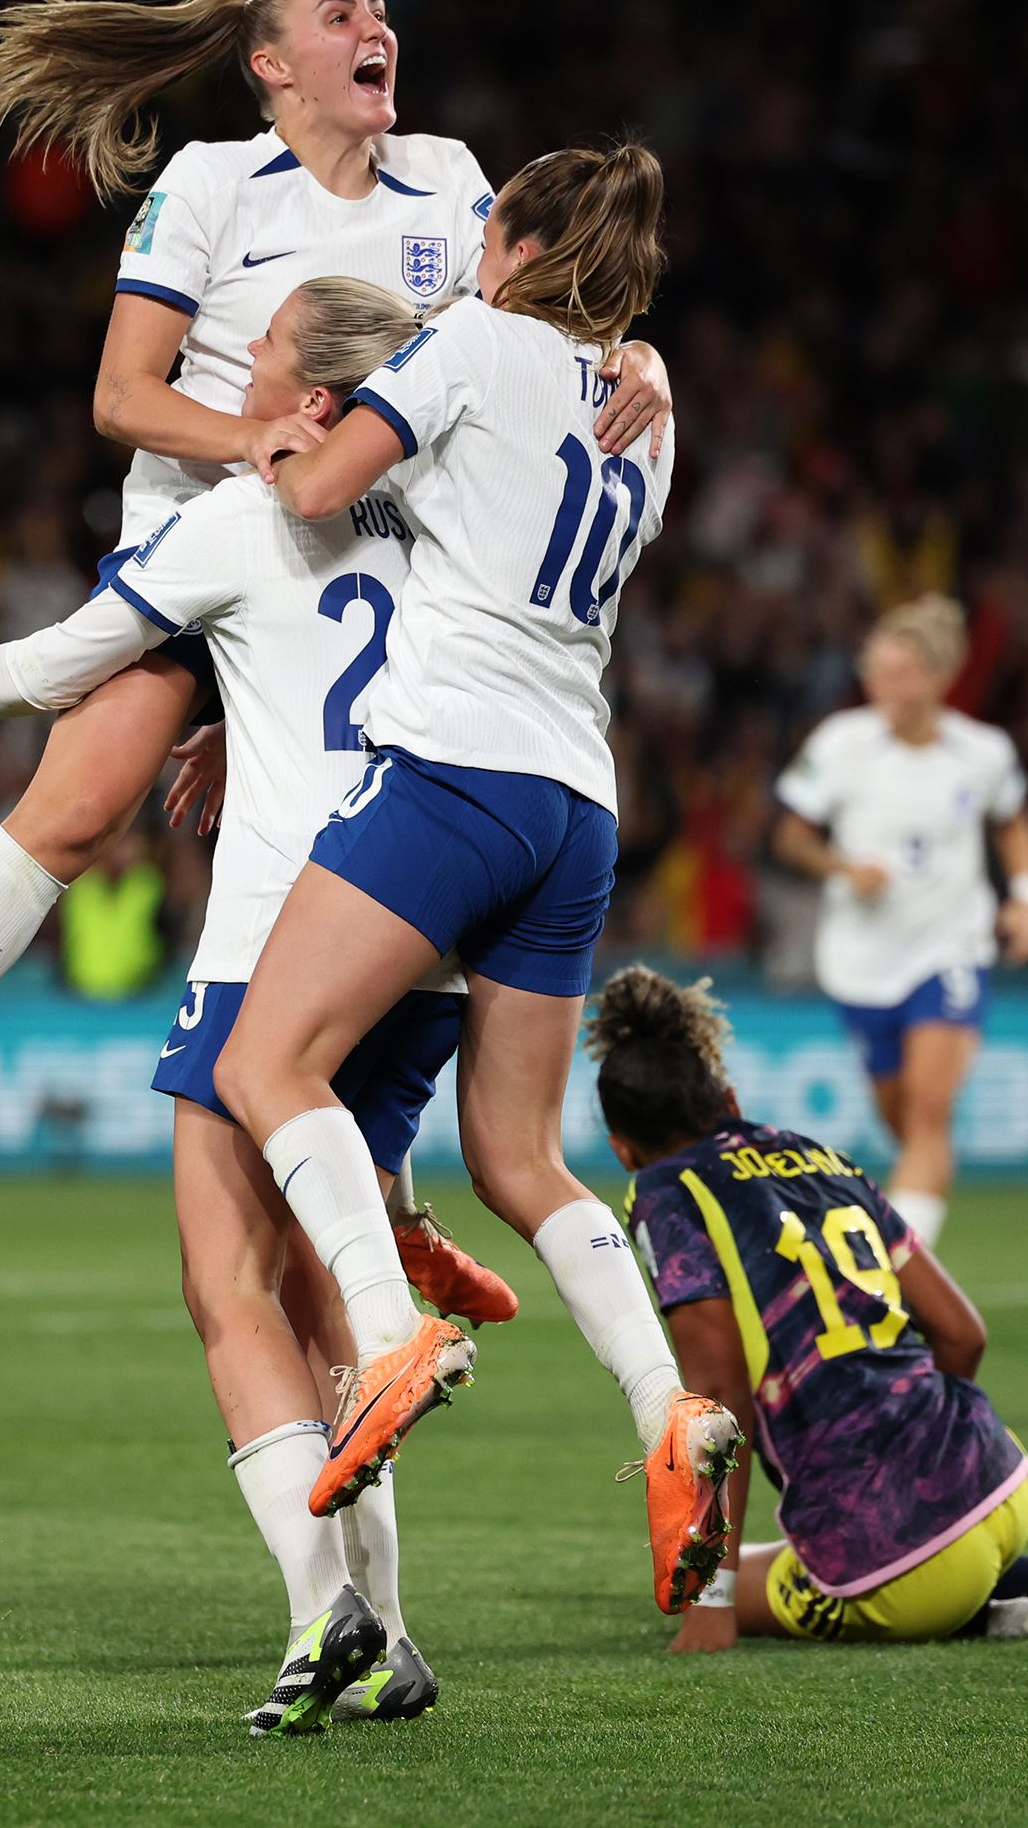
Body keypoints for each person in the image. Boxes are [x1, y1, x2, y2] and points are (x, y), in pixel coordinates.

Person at [0, 0, 671, 1245]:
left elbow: (549, 307)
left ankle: (386, 1196)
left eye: (382, 10)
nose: (378, 27)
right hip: (220, 537)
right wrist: (269, 451)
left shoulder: (449, 177)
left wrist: (643, 354)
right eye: (344, 15)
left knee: (385, 862)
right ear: (272, 66)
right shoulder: (208, 186)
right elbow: (121, 397)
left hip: (381, 558)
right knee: (82, 805)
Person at [0, 277, 473, 1731]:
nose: (231, 375)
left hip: (276, 947)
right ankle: (396, 1632)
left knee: (230, 1286)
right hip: (422, 940)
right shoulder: (444, 520)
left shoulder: (243, 515)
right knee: (324, 1301)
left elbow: (66, 663)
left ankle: (326, 1619)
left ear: (313, 403)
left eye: (262, 356)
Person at [210, 140, 741, 1619]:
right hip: (578, 797)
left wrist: (267, 444)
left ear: (511, 245)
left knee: (270, 1059)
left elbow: (321, 492)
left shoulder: (471, 343)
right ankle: (666, 1412)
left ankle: (388, 1332)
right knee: (521, 1161)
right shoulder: (647, 411)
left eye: (486, 229)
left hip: (453, 763)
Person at [589, 964, 1028, 1649]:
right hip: (999, 1479)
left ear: (623, 1149)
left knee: (716, 1581)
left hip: (898, 1555)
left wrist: (709, 1607)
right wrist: (920, 1449)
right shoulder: (820, 1157)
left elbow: (715, 1396)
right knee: (911, 1552)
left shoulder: (664, 1192)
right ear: (731, 1097)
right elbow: (962, 1332)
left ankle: (993, 1616)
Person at [770, 596, 1028, 1251]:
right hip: (862, 961)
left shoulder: (982, 752)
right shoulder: (841, 744)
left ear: (939, 674)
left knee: (927, 1110)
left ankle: (889, 1269)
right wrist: (842, 866)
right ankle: (916, 1233)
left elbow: (1012, 820)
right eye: (877, 672)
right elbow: (789, 836)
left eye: (900, 673)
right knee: (907, 1123)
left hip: (950, 949)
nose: (884, 687)